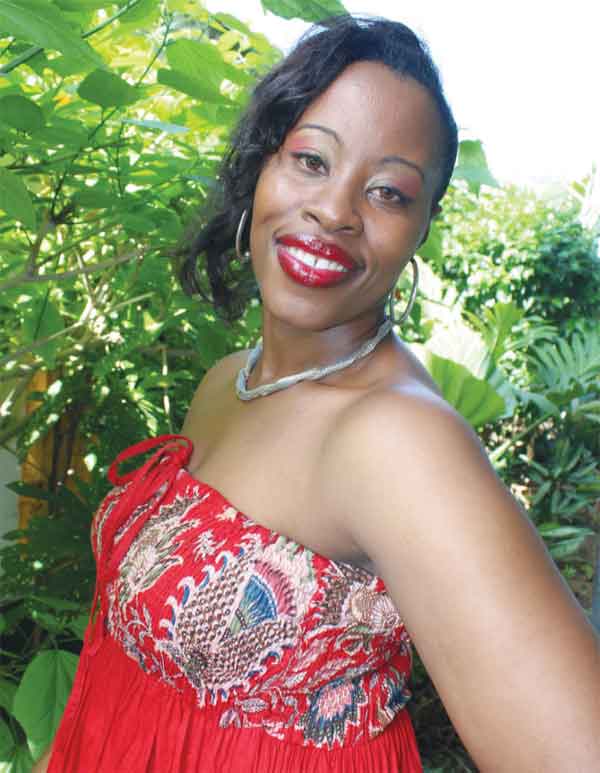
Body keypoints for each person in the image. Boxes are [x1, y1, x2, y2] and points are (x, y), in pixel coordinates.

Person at [38, 14, 599, 773]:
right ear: (260, 167)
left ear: (422, 227)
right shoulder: (228, 382)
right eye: (310, 160)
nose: (335, 211)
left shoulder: (398, 440)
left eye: (388, 193)